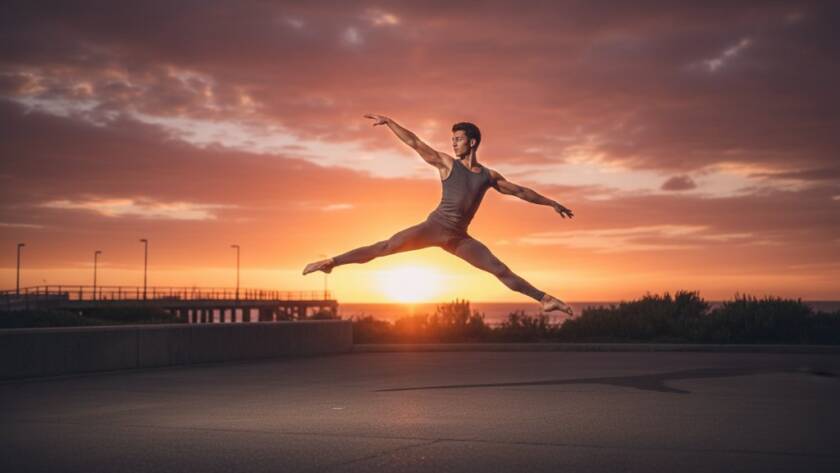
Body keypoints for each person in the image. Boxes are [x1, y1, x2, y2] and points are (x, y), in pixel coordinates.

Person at [303, 114, 576, 316]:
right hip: (433, 227)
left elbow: (520, 192)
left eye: (458, 139)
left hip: (458, 239)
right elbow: (416, 143)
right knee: (385, 246)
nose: (454, 144)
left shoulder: (488, 176)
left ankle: (544, 299)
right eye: (452, 140)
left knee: (500, 270)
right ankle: (332, 262)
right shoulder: (446, 164)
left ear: (473, 142)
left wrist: (551, 202)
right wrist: (390, 123)